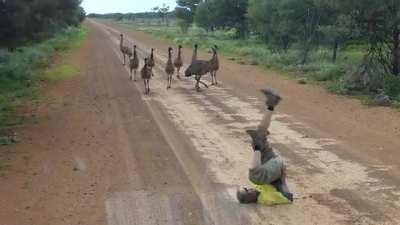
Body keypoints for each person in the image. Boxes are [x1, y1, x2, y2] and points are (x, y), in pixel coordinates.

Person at [237, 89, 293, 204]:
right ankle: (257, 144)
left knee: (260, 137)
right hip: (276, 167)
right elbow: (288, 197)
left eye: (246, 188)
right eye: (246, 190)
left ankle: (271, 105)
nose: (249, 188)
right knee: (254, 177)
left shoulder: (261, 190)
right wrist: (283, 181)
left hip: (271, 167)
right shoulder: (264, 198)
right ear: (249, 197)